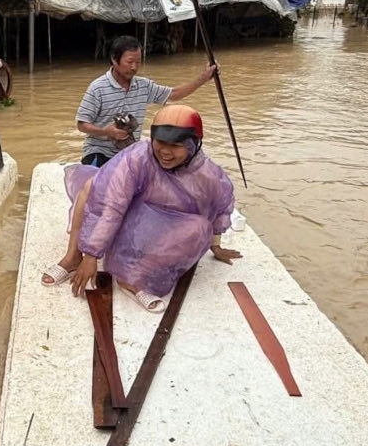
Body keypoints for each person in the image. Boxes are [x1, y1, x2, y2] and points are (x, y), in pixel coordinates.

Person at [42, 105, 241, 312]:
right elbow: (110, 204)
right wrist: (91, 255)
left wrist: (216, 247)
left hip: (161, 229)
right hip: (127, 218)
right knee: (93, 186)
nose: (165, 151)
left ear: (194, 145)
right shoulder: (137, 156)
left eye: (175, 145)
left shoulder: (209, 175)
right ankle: (73, 255)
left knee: (200, 227)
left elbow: (221, 209)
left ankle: (133, 280)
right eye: (161, 142)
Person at [76, 35, 217, 167]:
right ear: (114, 59)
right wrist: (107, 132)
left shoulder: (143, 86)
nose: (134, 67)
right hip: (100, 152)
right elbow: (82, 125)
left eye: (138, 62)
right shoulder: (98, 88)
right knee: (96, 187)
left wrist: (203, 78)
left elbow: (174, 94)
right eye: (129, 62)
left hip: (129, 153)